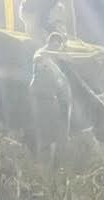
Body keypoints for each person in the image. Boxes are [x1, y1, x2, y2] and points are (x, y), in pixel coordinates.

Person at [29, 33, 72, 163]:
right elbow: (39, 59)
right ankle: (41, 158)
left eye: (59, 47)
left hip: (50, 97)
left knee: (53, 130)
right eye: (56, 45)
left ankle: (51, 158)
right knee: (44, 130)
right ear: (51, 42)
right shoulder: (42, 53)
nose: (57, 49)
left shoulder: (54, 58)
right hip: (40, 96)